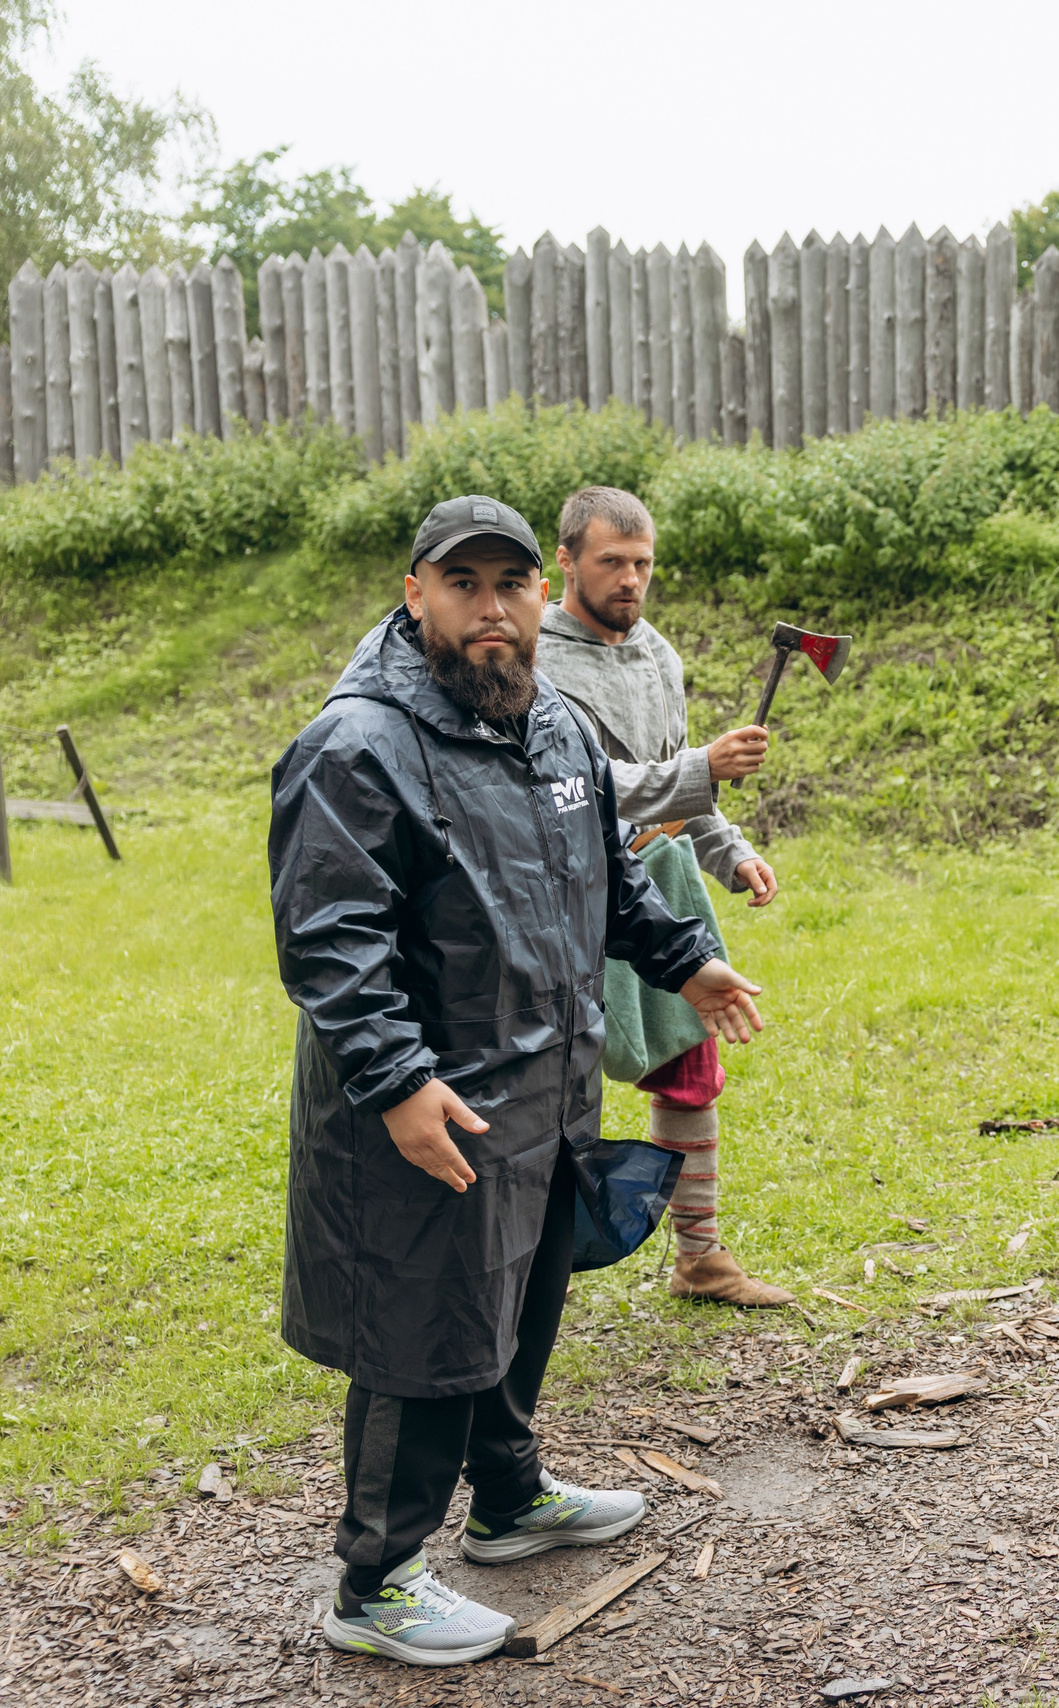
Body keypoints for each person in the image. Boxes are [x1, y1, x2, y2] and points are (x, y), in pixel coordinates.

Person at [268, 494, 769, 1667]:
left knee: (522, 1292)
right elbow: (330, 938)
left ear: (543, 592)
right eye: (464, 584)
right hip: (430, 1100)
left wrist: (685, 958)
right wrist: (398, 1080)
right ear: (416, 595)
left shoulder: (549, 723)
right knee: (423, 1322)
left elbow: (606, 874)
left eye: (511, 584)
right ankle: (376, 1581)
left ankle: (506, 1498)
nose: (491, 609)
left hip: (545, 1078)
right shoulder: (359, 744)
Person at [536, 485, 792, 1308]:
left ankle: (700, 1258)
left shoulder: (657, 655)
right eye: (612, 561)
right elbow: (581, 786)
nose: (630, 579)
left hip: (658, 892)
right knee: (552, 1090)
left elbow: (681, 784)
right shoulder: (533, 662)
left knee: (691, 1066)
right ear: (566, 560)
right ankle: (525, 1268)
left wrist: (730, 852)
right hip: (568, 901)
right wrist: (700, 769)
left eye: (642, 563)